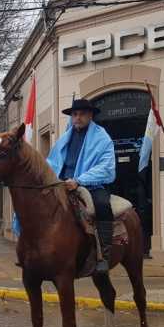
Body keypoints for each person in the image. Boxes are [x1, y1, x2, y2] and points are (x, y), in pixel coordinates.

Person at [47, 98, 116, 273]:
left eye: (82, 114)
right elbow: (53, 161)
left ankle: (104, 256)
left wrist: (79, 180)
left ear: (90, 115)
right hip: (63, 183)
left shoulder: (102, 137)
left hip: (92, 185)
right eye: (74, 114)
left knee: (102, 205)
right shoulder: (65, 137)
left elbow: (106, 168)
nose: (77, 118)